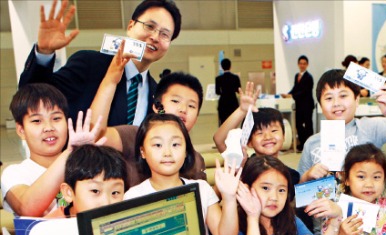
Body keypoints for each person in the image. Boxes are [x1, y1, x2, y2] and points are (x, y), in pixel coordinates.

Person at [19, 0, 182, 127]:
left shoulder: (155, 92)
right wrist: (44, 53)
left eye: (164, 34)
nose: (154, 36)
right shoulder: (90, 65)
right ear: (131, 26)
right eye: (149, 26)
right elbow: (33, 97)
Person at [89, 43, 206, 187]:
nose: (183, 109)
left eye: (191, 105)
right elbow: (95, 135)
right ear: (157, 106)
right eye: (175, 101)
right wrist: (111, 81)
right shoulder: (134, 135)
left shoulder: (197, 160)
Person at [297, 69, 386, 183]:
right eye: (329, 98)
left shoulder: (369, 127)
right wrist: (307, 176)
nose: (336, 103)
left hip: (363, 210)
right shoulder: (312, 143)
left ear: (357, 99)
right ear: (320, 105)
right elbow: (298, 190)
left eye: (343, 96)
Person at [222, 155, 342, 235]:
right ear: (245, 189)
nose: (274, 197)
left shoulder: (290, 220)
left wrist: (335, 220)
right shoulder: (235, 225)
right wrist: (252, 216)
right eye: (265, 188)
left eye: (281, 190)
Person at [1, 84, 103, 217]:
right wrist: (69, 153)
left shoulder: (86, 166)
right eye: (37, 121)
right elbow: (27, 208)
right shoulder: (14, 173)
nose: (48, 128)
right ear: (21, 130)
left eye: (56, 118)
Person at [214, 82, 300, 185]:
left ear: (284, 136)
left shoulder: (291, 175)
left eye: (274, 131)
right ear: (249, 141)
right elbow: (219, 140)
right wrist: (241, 110)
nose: (268, 137)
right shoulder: (243, 165)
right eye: (260, 133)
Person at [45, 145, 127, 218]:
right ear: (69, 192)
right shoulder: (50, 228)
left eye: (115, 193)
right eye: (95, 191)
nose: (106, 203)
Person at [281, 55, 314, 150]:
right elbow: (296, 88)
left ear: (307, 65)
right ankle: (302, 143)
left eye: (304, 64)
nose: (302, 65)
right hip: (299, 105)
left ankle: (309, 144)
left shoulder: (309, 77)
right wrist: (288, 94)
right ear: (298, 64)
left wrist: (292, 96)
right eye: (301, 63)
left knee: (308, 125)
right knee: (298, 124)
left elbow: (305, 91)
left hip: (307, 105)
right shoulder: (297, 76)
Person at [215, 58, 241, 126]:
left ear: (222, 67)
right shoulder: (235, 77)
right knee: (234, 122)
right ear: (230, 66)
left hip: (223, 103)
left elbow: (217, 92)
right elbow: (238, 90)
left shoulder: (218, 79)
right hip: (233, 102)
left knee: (223, 122)